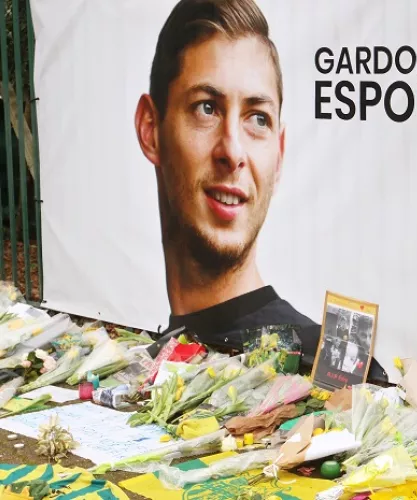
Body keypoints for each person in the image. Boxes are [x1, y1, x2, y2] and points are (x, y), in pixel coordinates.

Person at [134, 0, 386, 381]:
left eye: (257, 118)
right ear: (151, 129)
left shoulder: (327, 371)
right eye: (206, 108)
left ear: (279, 153)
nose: (233, 151)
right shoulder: (154, 355)